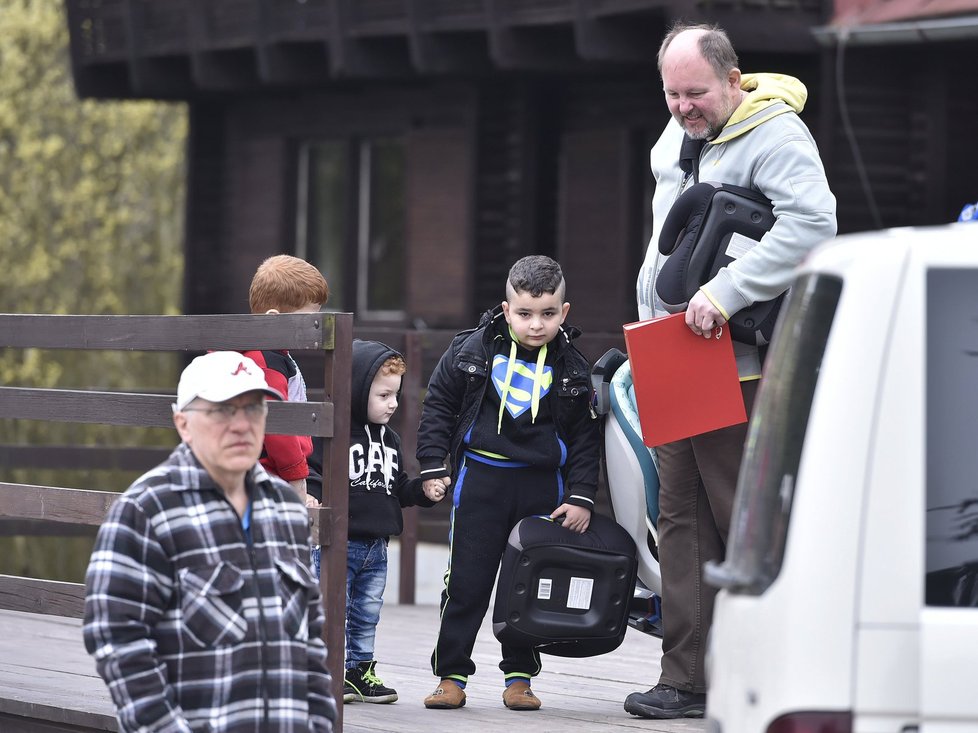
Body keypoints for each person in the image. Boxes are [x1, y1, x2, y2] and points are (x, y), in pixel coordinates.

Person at [626, 24, 837, 719]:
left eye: (697, 93)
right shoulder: (674, 135)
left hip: (733, 359)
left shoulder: (775, 134)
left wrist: (725, 293)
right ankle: (686, 679)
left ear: (734, 80)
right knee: (678, 515)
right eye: (673, 93)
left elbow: (813, 222)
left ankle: (769, 677)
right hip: (669, 351)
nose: (684, 106)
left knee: (738, 520)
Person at [82, 351, 337, 733]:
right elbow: (117, 640)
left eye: (253, 409)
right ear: (182, 423)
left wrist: (319, 722)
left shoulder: (286, 508)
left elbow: (309, 640)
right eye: (222, 411)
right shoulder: (146, 510)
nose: (241, 425)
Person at [416, 254, 601, 712]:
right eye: (524, 313)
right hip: (481, 480)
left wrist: (581, 496)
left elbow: (585, 439)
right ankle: (451, 675)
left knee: (530, 584)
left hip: (542, 488)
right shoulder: (469, 350)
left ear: (565, 311)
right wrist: (432, 464)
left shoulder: (575, 367)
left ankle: (520, 678)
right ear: (505, 308)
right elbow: (437, 407)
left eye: (548, 314)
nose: (536, 325)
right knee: (466, 583)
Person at [341, 339, 440, 705]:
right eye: (383, 395)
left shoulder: (391, 439)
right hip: (340, 543)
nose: (393, 403)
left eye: (395, 395)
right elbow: (315, 474)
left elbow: (397, 487)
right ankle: (327, 671)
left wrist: (423, 492)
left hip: (378, 546)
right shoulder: (334, 435)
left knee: (367, 613)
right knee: (332, 609)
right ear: (356, 390)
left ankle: (359, 672)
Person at [243, 254, 330, 577]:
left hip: (271, 477)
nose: (316, 328)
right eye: (309, 319)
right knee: (287, 560)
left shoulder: (272, 355)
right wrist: (297, 483)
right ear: (274, 317)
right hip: (272, 479)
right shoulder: (266, 362)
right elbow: (276, 427)